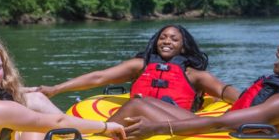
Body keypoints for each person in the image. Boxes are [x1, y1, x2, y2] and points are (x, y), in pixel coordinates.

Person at [109, 31, 279, 140]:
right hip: (220, 130)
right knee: (138, 103)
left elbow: (220, 123)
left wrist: (156, 128)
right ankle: (106, 135)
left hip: (221, 138)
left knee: (139, 109)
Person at [36, 25, 240, 111]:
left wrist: (250, 105)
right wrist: (56, 89)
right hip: (138, 118)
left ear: (183, 46)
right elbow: (99, 77)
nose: (167, 41)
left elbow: (223, 90)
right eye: (163, 37)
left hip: (174, 122)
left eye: (174, 39)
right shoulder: (140, 66)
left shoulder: (194, 75)